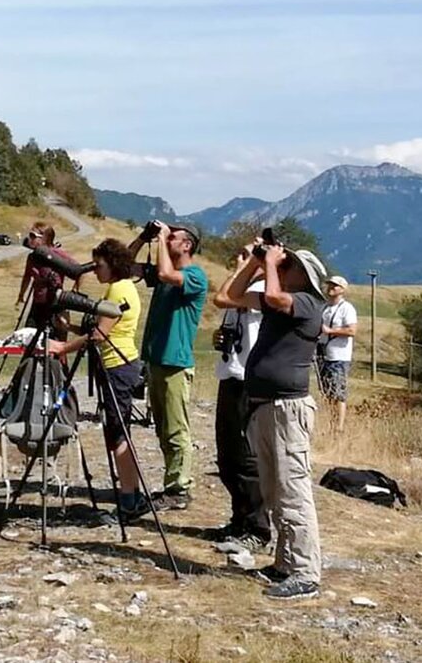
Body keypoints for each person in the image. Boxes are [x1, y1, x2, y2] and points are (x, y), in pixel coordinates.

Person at [226, 240, 329, 601]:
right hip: (266, 406)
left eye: (291, 266)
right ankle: (285, 563)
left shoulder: (307, 304)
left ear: (307, 277)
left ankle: (305, 572)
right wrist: (256, 263)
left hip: (287, 410)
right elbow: (232, 294)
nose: (284, 269)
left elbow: (271, 297)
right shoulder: (280, 304)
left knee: (293, 491)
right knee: (274, 490)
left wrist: (269, 261)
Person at [46, 239, 149, 522]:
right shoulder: (122, 287)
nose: (95, 271)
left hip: (117, 365)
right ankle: (132, 495)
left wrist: (62, 347)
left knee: (118, 434)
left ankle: (129, 500)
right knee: (117, 432)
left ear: (113, 264)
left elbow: (100, 335)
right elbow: (104, 329)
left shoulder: (118, 289)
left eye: (99, 265)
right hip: (118, 363)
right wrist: (71, 327)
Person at [129, 221, 207, 511]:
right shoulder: (167, 274)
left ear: (187, 245)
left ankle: (180, 488)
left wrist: (160, 239)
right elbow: (124, 267)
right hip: (157, 361)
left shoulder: (195, 275)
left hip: (175, 363)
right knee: (163, 429)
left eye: (173, 237)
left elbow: (165, 273)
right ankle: (172, 483)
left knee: (176, 429)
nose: (167, 239)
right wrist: (143, 236)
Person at [209, 247, 269, 550]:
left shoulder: (261, 288)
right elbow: (227, 314)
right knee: (227, 456)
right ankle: (239, 518)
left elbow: (222, 296)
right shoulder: (240, 289)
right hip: (230, 373)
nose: (240, 257)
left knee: (248, 458)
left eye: (249, 254)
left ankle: (258, 527)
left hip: (249, 379)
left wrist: (249, 265)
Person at [319, 276, 358, 431]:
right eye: (330, 284)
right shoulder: (325, 308)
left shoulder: (347, 308)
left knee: (338, 393)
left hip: (339, 357)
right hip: (323, 355)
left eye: (335, 285)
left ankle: (339, 427)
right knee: (327, 392)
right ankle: (331, 423)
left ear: (342, 289)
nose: (331, 288)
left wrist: (330, 331)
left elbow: (352, 330)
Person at [18, 221, 72, 329]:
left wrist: (75, 290)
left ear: (45, 238)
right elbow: (27, 277)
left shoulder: (57, 255)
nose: (30, 239)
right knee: (29, 333)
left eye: (33, 236)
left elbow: (78, 270)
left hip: (54, 304)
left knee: (50, 338)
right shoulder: (32, 257)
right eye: (30, 235)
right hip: (37, 303)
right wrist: (21, 295)